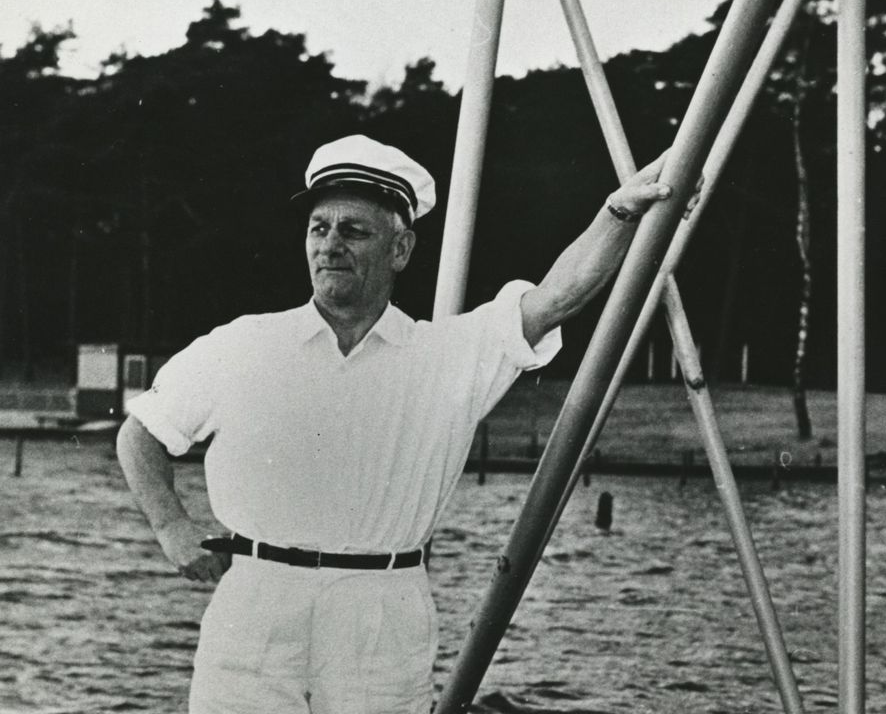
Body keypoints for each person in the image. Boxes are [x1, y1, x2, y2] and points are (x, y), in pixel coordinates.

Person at [116, 134, 692, 713]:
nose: (331, 245)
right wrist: (171, 526)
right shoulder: (243, 343)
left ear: (400, 249)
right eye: (319, 228)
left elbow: (558, 297)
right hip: (255, 602)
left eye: (354, 231)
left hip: (382, 615)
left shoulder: (444, 354)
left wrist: (617, 212)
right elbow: (140, 433)